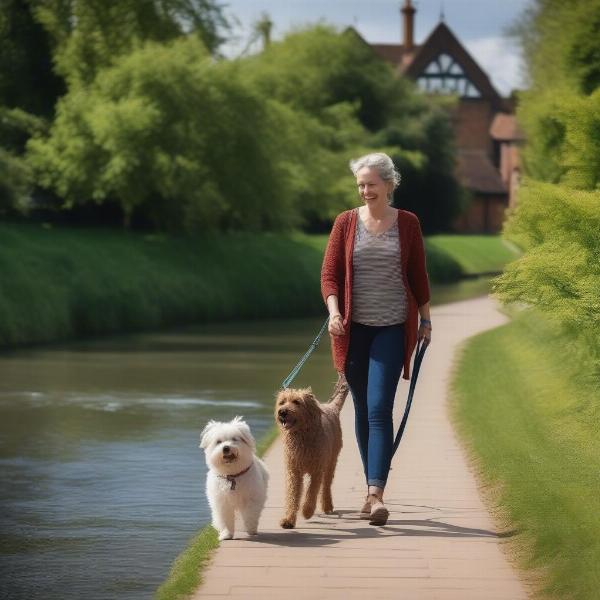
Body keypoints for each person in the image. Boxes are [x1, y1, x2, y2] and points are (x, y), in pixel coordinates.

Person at [320, 152, 431, 526]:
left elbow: (418, 275)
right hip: (354, 330)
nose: (365, 190)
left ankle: (375, 494)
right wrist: (335, 313)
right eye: (360, 185)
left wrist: (426, 320)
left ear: (388, 184)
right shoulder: (346, 223)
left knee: (380, 407)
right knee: (364, 410)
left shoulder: (408, 224)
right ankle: (372, 486)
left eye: (370, 184)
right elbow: (330, 276)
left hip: (393, 326)